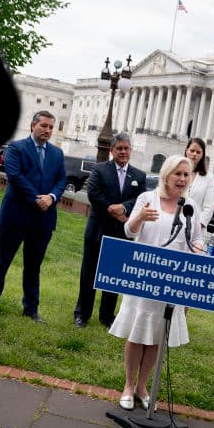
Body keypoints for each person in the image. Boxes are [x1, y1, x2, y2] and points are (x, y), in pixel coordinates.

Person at [108, 155, 193, 411]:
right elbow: (129, 231)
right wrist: (140, 217)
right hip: (143, 278)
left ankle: (143, 387)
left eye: (186, 175)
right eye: (177, 174)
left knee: (156, 336)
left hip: (171, 281)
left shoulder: (189, 206)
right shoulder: (147, 198)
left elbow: (195, 242)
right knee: (136, 334)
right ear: (166, 175)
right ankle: (128, 385)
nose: (181, 179)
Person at [0, 111, 67, 322]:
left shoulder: (57, 153)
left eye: (50, 127)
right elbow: (15, 176)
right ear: (32, 125)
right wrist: (37, 198)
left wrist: (52, 197)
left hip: (44, 219)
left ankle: (31, 309)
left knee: (33, 266)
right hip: (16, 215)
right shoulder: (16, 148)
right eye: (44, 126)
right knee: (1, 261)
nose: (47, 131)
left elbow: (62, 179)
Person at [73, 132, 147, 328]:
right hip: (98, 231)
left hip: (122, 234)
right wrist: (114, 211)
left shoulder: (139, 176)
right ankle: (82, 314)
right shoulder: (99, 169)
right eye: (119, 148)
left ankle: (107, 317)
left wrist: (124, 210)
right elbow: (94, 194)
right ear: (112, 150)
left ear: (131, 150)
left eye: (126, 148)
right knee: (88, 275)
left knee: (113, 277)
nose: (123, 152)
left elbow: (141, 200)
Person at [184, 137, 214, 250]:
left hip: (196, 232)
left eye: (198, 152)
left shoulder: (208, 177)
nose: (194, 154)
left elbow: (208, 208)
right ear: (186, 150)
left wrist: (194, 227)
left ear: (202, 155)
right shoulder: (176, 171)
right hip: (174, 225)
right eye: (192, 151)